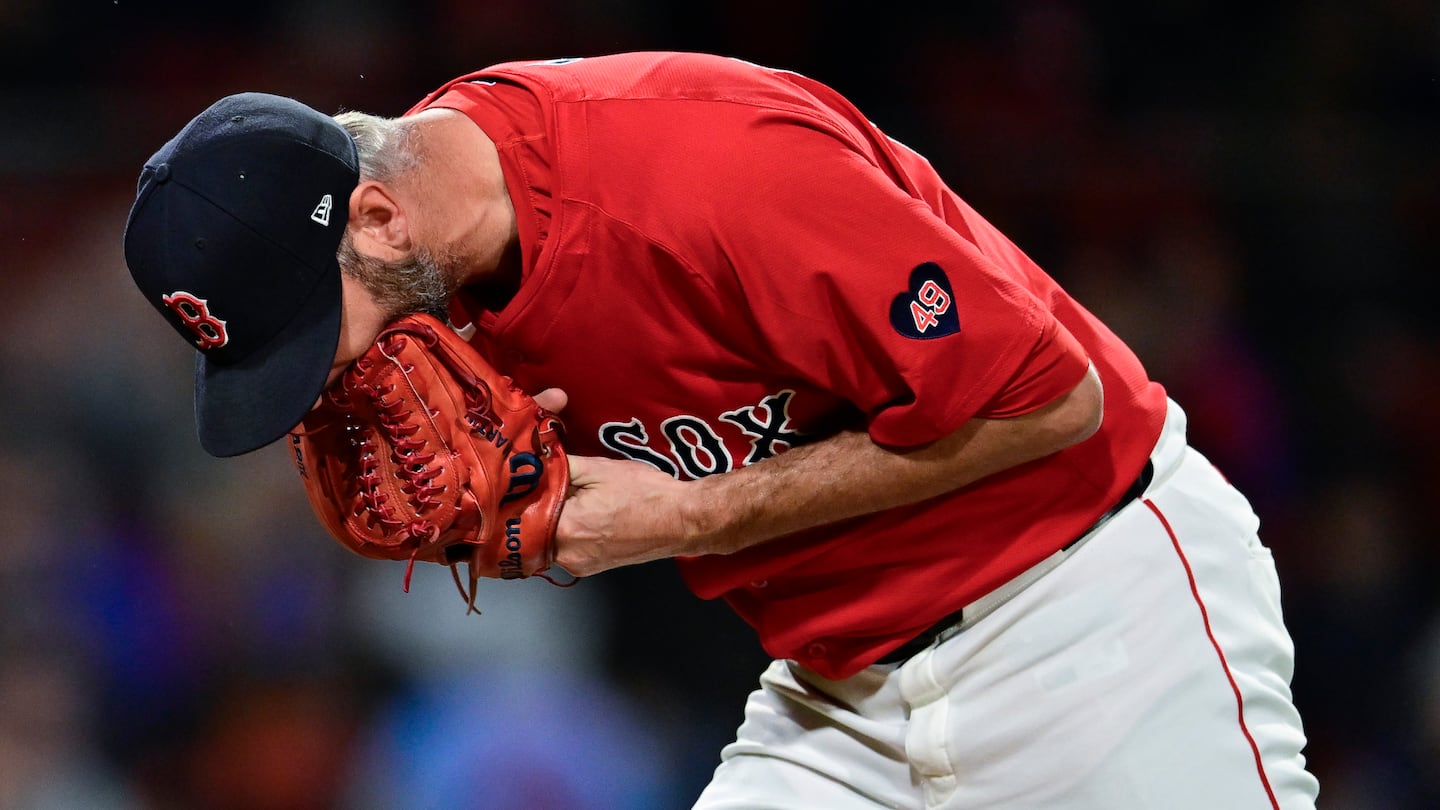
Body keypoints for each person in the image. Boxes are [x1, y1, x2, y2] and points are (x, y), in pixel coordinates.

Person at [122, 51, 1319, 808]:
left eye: (311, 332)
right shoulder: (436, 268)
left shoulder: (708, 169)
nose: (328, 382)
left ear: (379, 218)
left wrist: (685, 516)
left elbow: (1053, 401)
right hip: (838, 696)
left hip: (1090, 610)